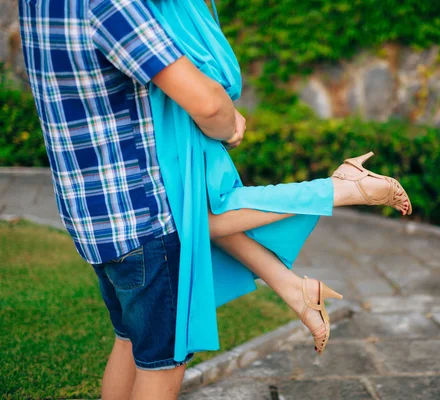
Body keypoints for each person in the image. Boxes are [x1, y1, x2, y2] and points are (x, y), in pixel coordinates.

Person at [18, 0, 411, 399]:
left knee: (130, 341)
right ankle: (341, 190)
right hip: (144, 216)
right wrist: (228, 123)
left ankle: (303, 266)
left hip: (94, 218)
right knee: (161, 367)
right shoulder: (108, 4)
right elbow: (208, 104)